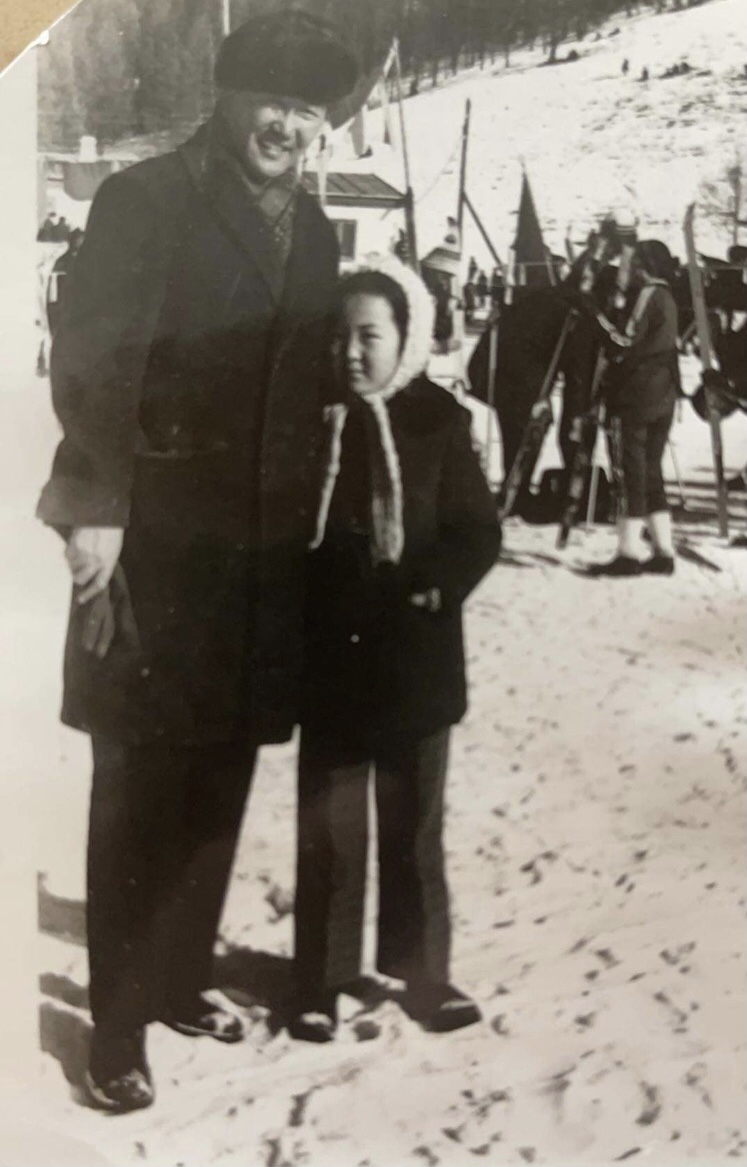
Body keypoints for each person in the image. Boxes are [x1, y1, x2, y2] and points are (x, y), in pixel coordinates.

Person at [36, 10, 359, 1113]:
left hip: (264, 549)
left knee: (221, 767)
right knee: (139, 776)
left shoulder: (315, 232)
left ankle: (177, 980)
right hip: (157, 538)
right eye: (274, 103)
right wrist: (95, 505)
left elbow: (316, 375)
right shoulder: (147, 200)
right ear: (228, 98)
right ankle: (117, 1025)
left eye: (308, 112)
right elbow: (93, 362)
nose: (289, 128)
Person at [291, 256, 502, 1041]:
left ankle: (424, 974)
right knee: (332, 827)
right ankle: (319, 979)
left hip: (416, 659)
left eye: (368, 335)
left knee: (413, 830)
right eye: (339, 335)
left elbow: (476, 530)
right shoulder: (312, 418)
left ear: (405, 337)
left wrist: (437, 583)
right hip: (332, 659)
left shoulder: (435, 419)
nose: (350, 351)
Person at [583, 239, 681, 576]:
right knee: (651, 471)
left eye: (635, 263)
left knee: (628, 472)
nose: (631, 270)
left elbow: (623, 340)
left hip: (635, 394)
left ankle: (628, 552)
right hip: (663, 392)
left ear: (645, 265)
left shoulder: (649, 294)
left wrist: (596, 317)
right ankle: (663, 550)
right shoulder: (668, 296)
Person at [46, 228, 84, 337]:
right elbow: (54, 286)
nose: (79, 242)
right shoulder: (62, 261)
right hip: (65, 301)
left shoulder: (85, 260)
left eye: (81, 240)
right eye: (77, 239)